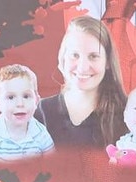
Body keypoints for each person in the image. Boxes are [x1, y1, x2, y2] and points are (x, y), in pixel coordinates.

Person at [35, 15, 128, 149]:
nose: (83, 67)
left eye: (93, 56)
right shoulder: (40, 111)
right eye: (75, 55)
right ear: (63, 57)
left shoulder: (130, 114)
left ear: (108, 61)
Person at [0, 64, 54, 161]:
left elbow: (52, 164)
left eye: (26, 96)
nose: (20, 104)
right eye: (11, 97)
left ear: (36, 101)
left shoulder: (42, 134)